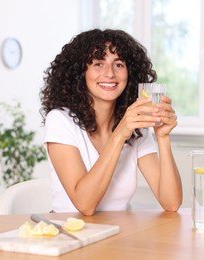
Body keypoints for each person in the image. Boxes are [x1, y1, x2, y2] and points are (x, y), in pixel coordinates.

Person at [39, 28, 182, 216]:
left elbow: (171, 203)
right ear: (80, 73)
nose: (110, 74)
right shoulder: (60, 120)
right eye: (98, 64)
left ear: (129, 73)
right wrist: (120, 134)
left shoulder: (136, 126)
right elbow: (85, 205)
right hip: (71, 234)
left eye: (119, 65)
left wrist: (163, 137)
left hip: (118, 235)